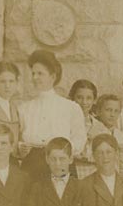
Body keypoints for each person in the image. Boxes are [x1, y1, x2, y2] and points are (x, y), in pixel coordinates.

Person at [18, 49, 87, 181]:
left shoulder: (71, 107)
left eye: (40, 73)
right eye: (33, 73)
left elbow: (80, 139)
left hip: (60, 163)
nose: (35, 78)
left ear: (53, 76)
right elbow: (18, 138)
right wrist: (21, 147)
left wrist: (61, 152)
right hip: (32, 166)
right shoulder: (24, 108)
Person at [69, 78, 102, 178]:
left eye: (88, 98)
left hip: (92, 174)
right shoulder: (65, 122)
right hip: (70, 171)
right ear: (72, 98)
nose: (84, 102)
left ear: (94, 100)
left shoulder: (99, 126)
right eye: (79, 97)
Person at [94, 94, 123, 173]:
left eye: (116, 111)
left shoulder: (121, 136)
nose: (112, 115)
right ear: (98, 111)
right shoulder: (92, 132)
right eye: (108, 110)